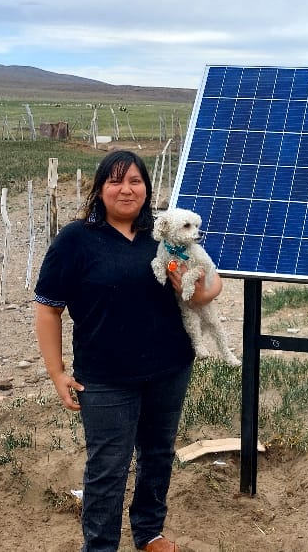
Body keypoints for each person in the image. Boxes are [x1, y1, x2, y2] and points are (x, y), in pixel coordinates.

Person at [34, 149, 222, 552]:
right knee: (108, 468)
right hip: (105, 378)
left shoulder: (163, 233)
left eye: (135, 181)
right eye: (116, 181)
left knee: (157, 455)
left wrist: (202, 292)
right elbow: (48, 308)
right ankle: (100, 546)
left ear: (146, 189)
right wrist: (56, 372)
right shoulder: (76, 240)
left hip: (170, 367)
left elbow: (211, 278)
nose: (126, 190)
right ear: (100, 189)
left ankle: (149, 532)